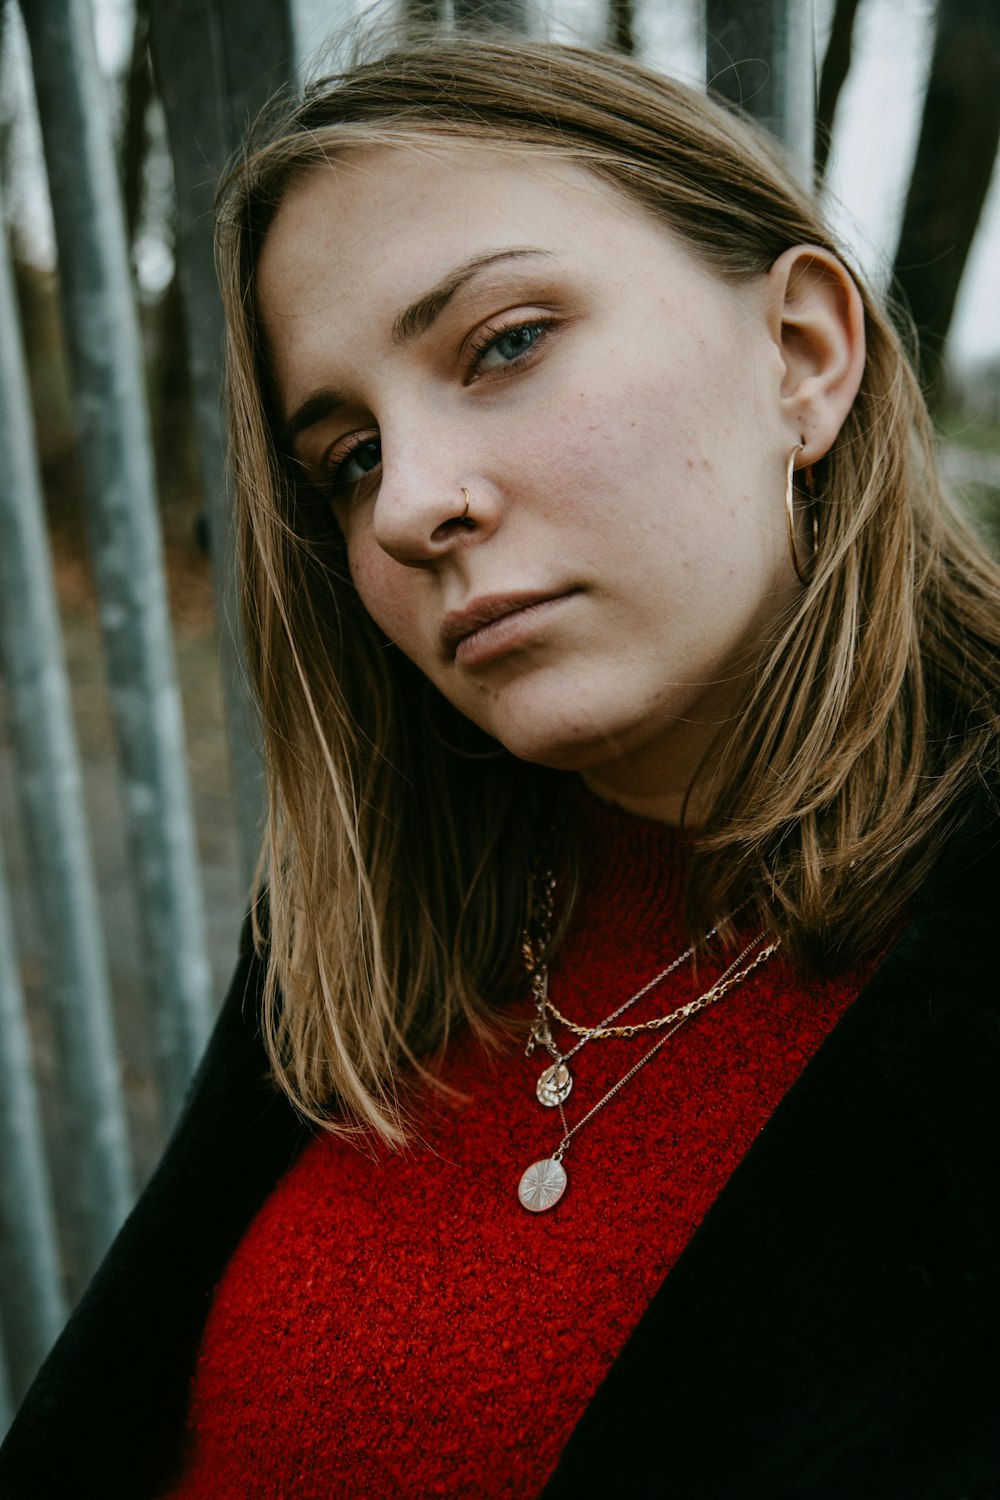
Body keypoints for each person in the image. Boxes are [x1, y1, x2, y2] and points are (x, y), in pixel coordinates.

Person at [3, 32, 1000, 1500]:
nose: (408, 505)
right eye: (345, 456)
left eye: (506, 342)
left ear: (802, 356)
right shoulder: (359, 923)